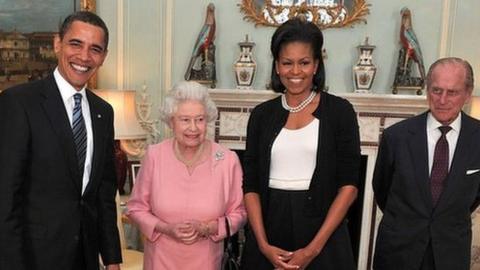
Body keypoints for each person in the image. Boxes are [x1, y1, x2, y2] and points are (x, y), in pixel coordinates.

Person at [0, 11, 121, 270]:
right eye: (75, 44)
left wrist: (112, 259)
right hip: (34, 259)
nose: (84, 57)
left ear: (103, 57)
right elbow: (5, 198)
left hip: (86, 258)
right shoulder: (19, 103)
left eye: (95, 49)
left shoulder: (104, 112)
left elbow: (103, 194)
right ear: (58, 44)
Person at [241, 18, 361, 270]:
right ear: (276, 66)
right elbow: (250, 185)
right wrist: (262, 245)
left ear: (316, 65)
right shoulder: (261, 115)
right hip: (270, 230)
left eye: (304, 63)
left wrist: (312, 250)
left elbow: (349, 186)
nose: (295, 71)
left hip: (323, 236)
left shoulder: (340, 112)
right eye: (287, 63)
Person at [372, 57, 480, 270]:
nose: (442, 100)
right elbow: (382, 189)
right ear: (427, 90)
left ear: (467, 94)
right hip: (398, 252)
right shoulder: (396, 137)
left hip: (450, 254)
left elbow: (474, 198)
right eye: (436, 90)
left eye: (452, 92)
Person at [127, 81, 247, 269]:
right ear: (171, 122)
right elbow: (135, 209)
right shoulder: (155, 155)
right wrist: (166, 228)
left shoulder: (227, 160)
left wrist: (208, 228)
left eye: (199, 119)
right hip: (160, 261)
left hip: (206, 262)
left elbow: (240, 213)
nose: (193, 128)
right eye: (185, 120)